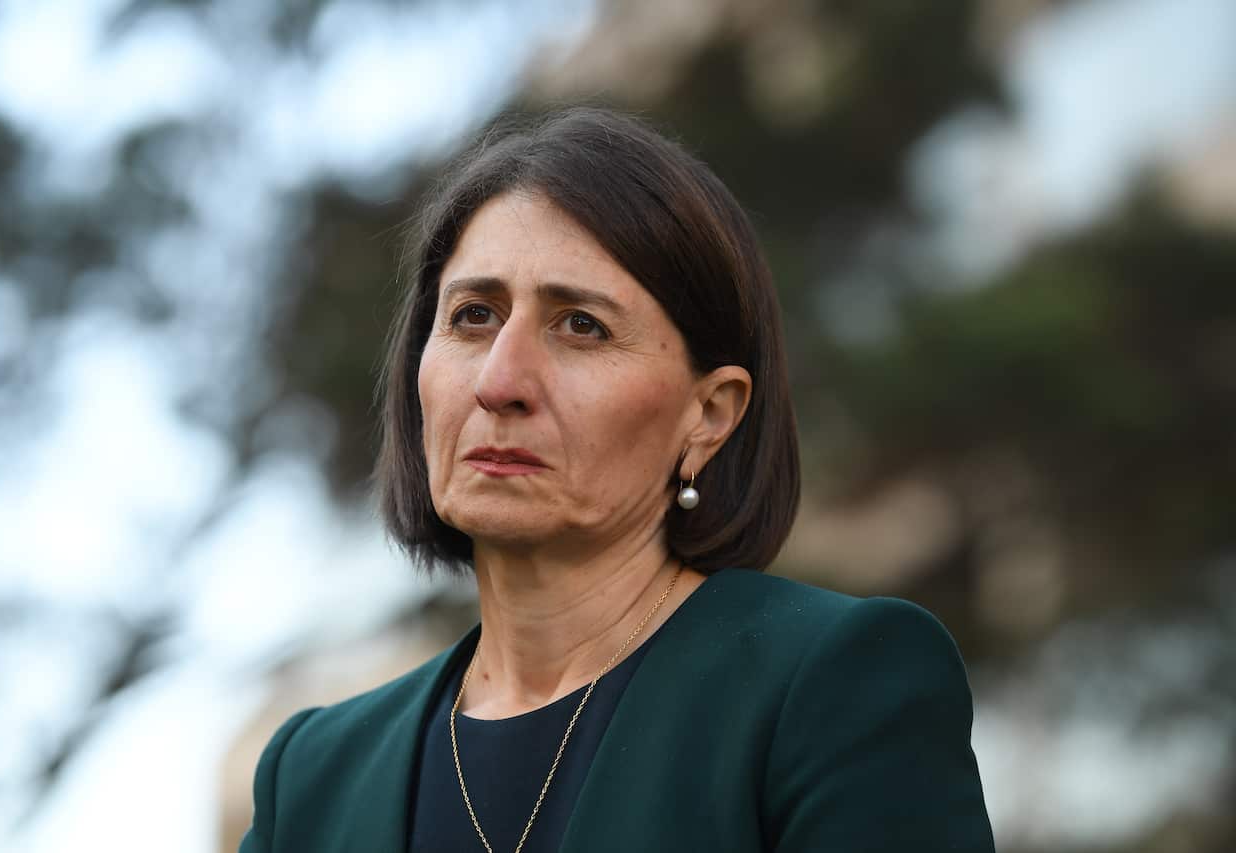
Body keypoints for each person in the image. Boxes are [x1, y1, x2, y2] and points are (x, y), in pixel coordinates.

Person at [239, 106, 995, 853]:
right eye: (473, 315)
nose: (500, 381)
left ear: (709, 414)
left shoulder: (832, 687)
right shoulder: (312, 776)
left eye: (581, 326)